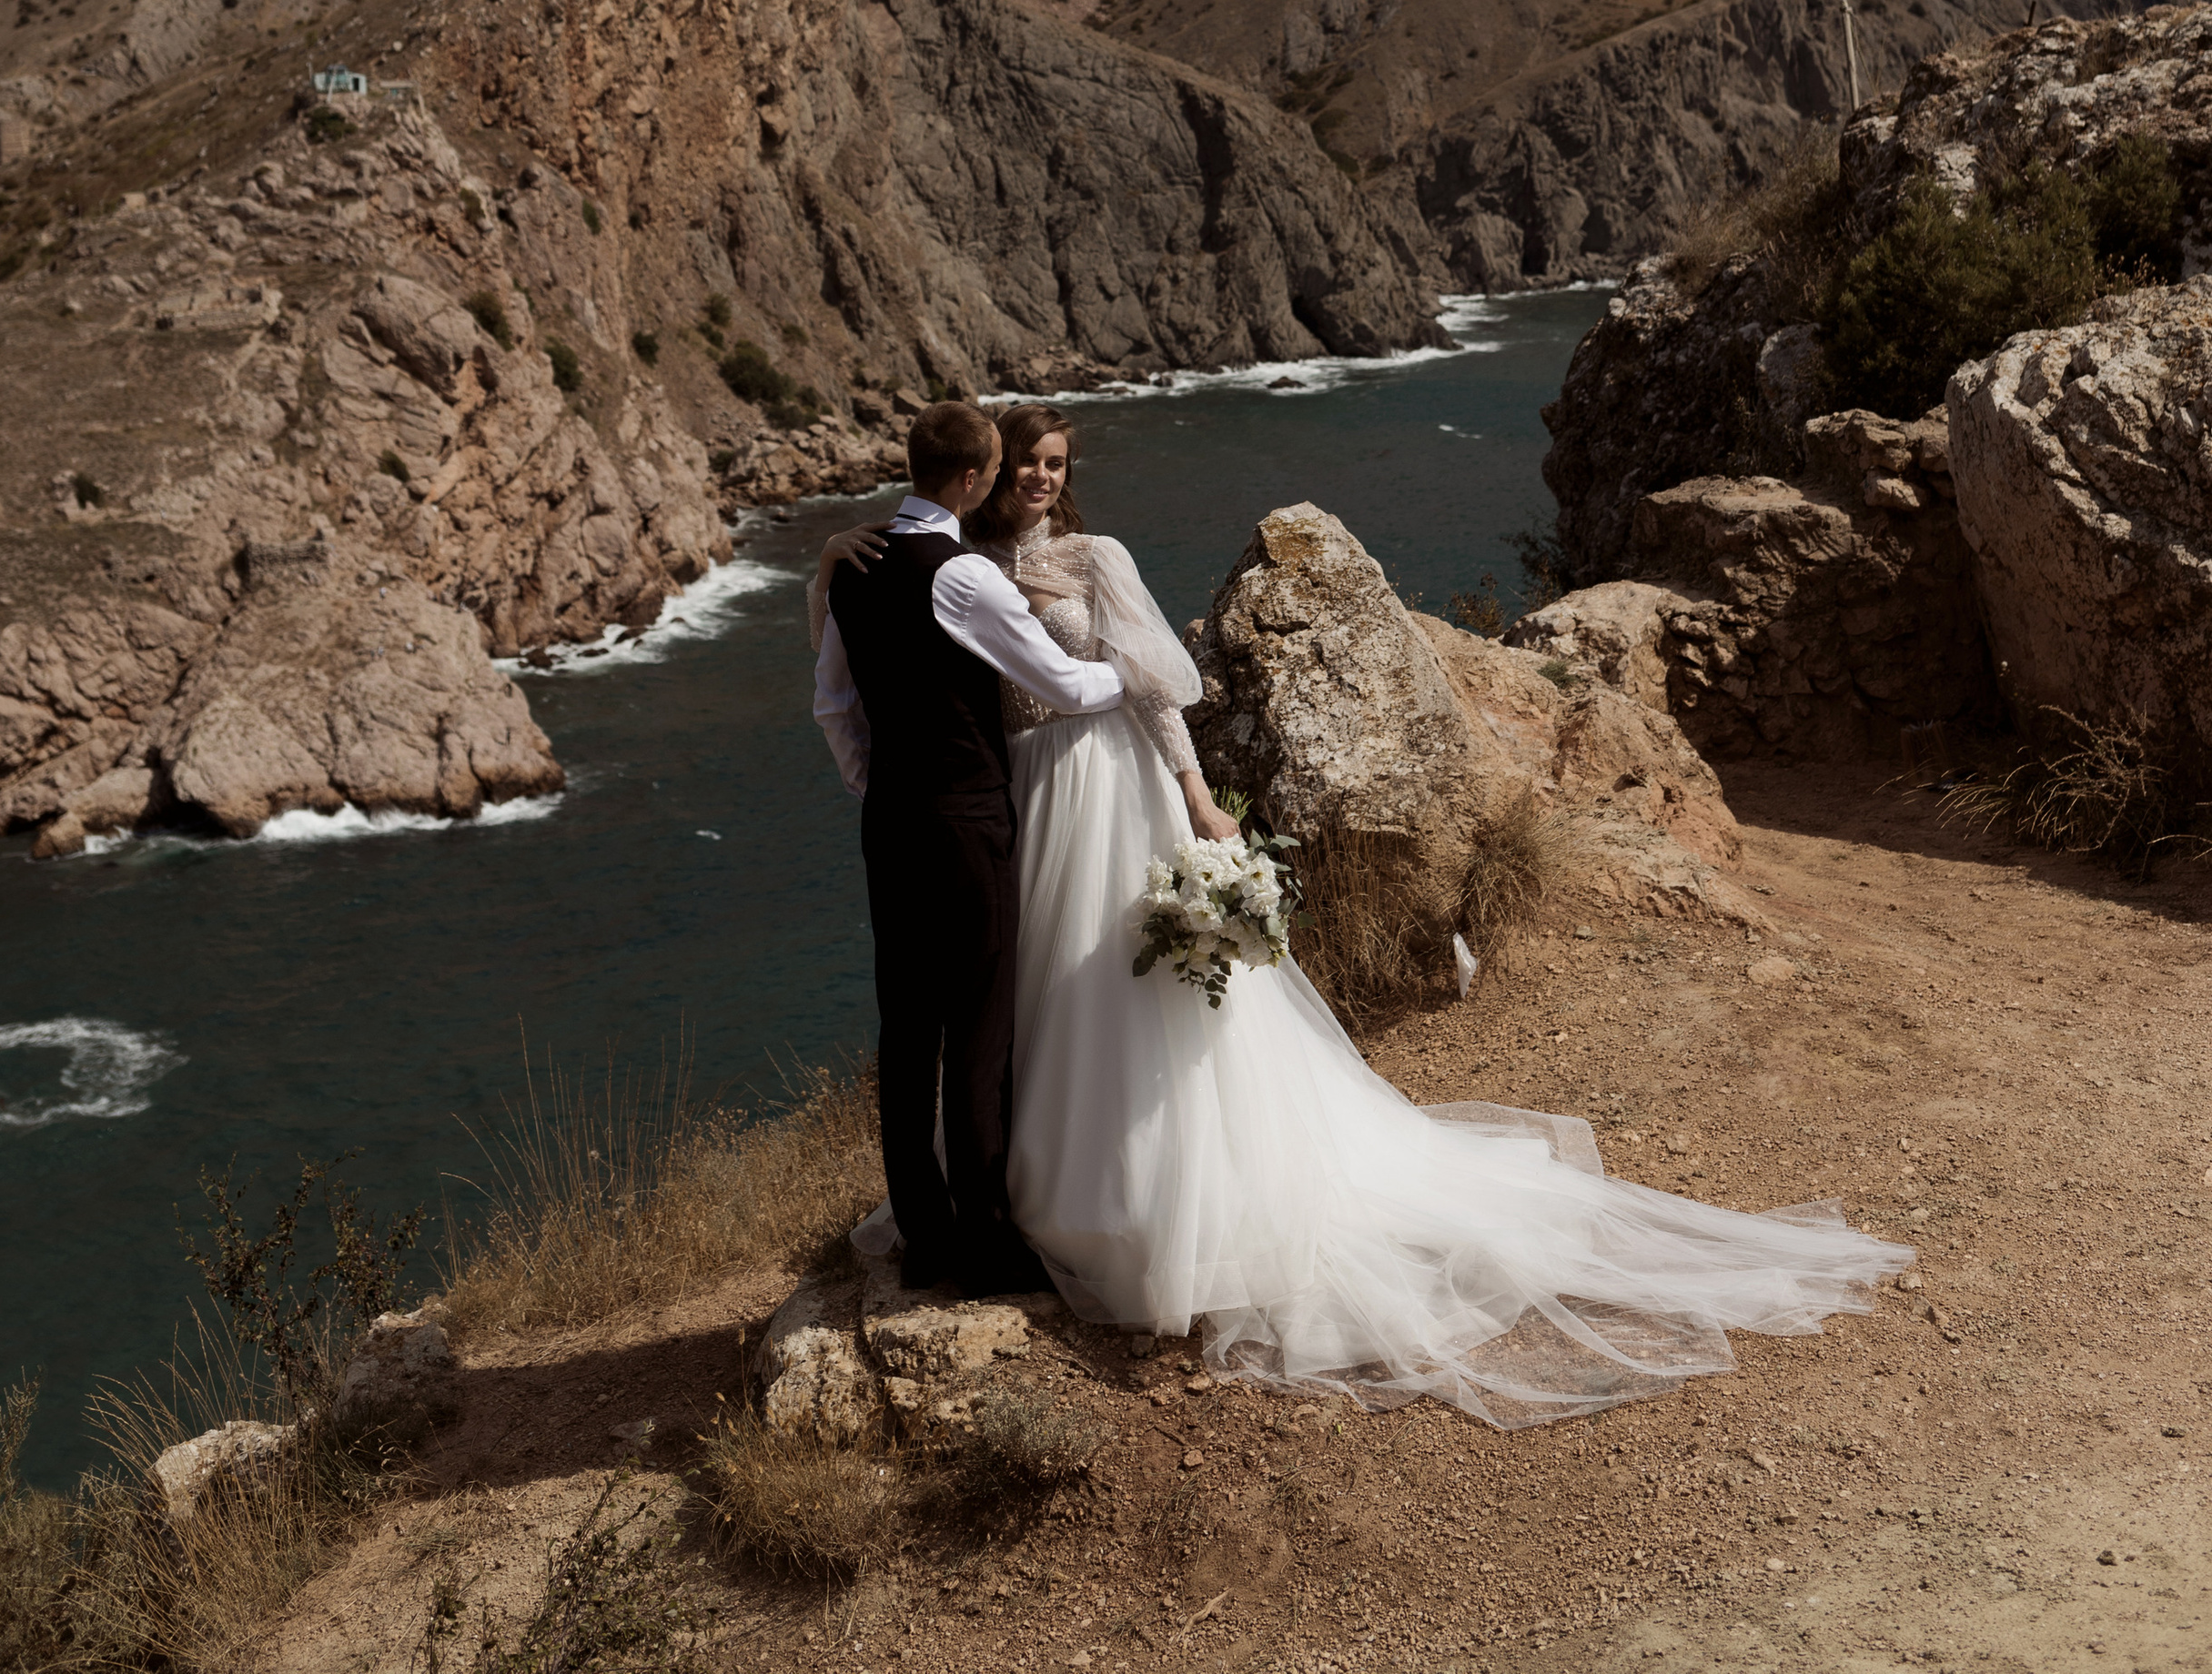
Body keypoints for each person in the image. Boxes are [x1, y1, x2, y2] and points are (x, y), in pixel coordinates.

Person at [811, 405, 1913, 1417]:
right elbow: (926, 657)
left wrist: (1194, 796)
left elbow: (1152, 686)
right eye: (1027, 465)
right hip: (1022, 798)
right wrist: (836, 561)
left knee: (1096, 993)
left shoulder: (1091, 558)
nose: (1042, 482)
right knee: (1025, 1007)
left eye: (1058, 467)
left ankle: (1110, 1203)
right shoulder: (961, 567)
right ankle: (1007, 1201)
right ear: (986, 474)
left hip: (1107, 787)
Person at [810, 398, 1125, 1296]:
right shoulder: (963, 578)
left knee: (907, 1032)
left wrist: (883, 788)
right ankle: (986, 1244)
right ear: (973, 478)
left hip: (891, 826)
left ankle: (926, 1241)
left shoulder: (855, 567)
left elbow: (834, 707)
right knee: (981, 1029)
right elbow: (1061, 683)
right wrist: (1136, 671)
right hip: (965, 822)